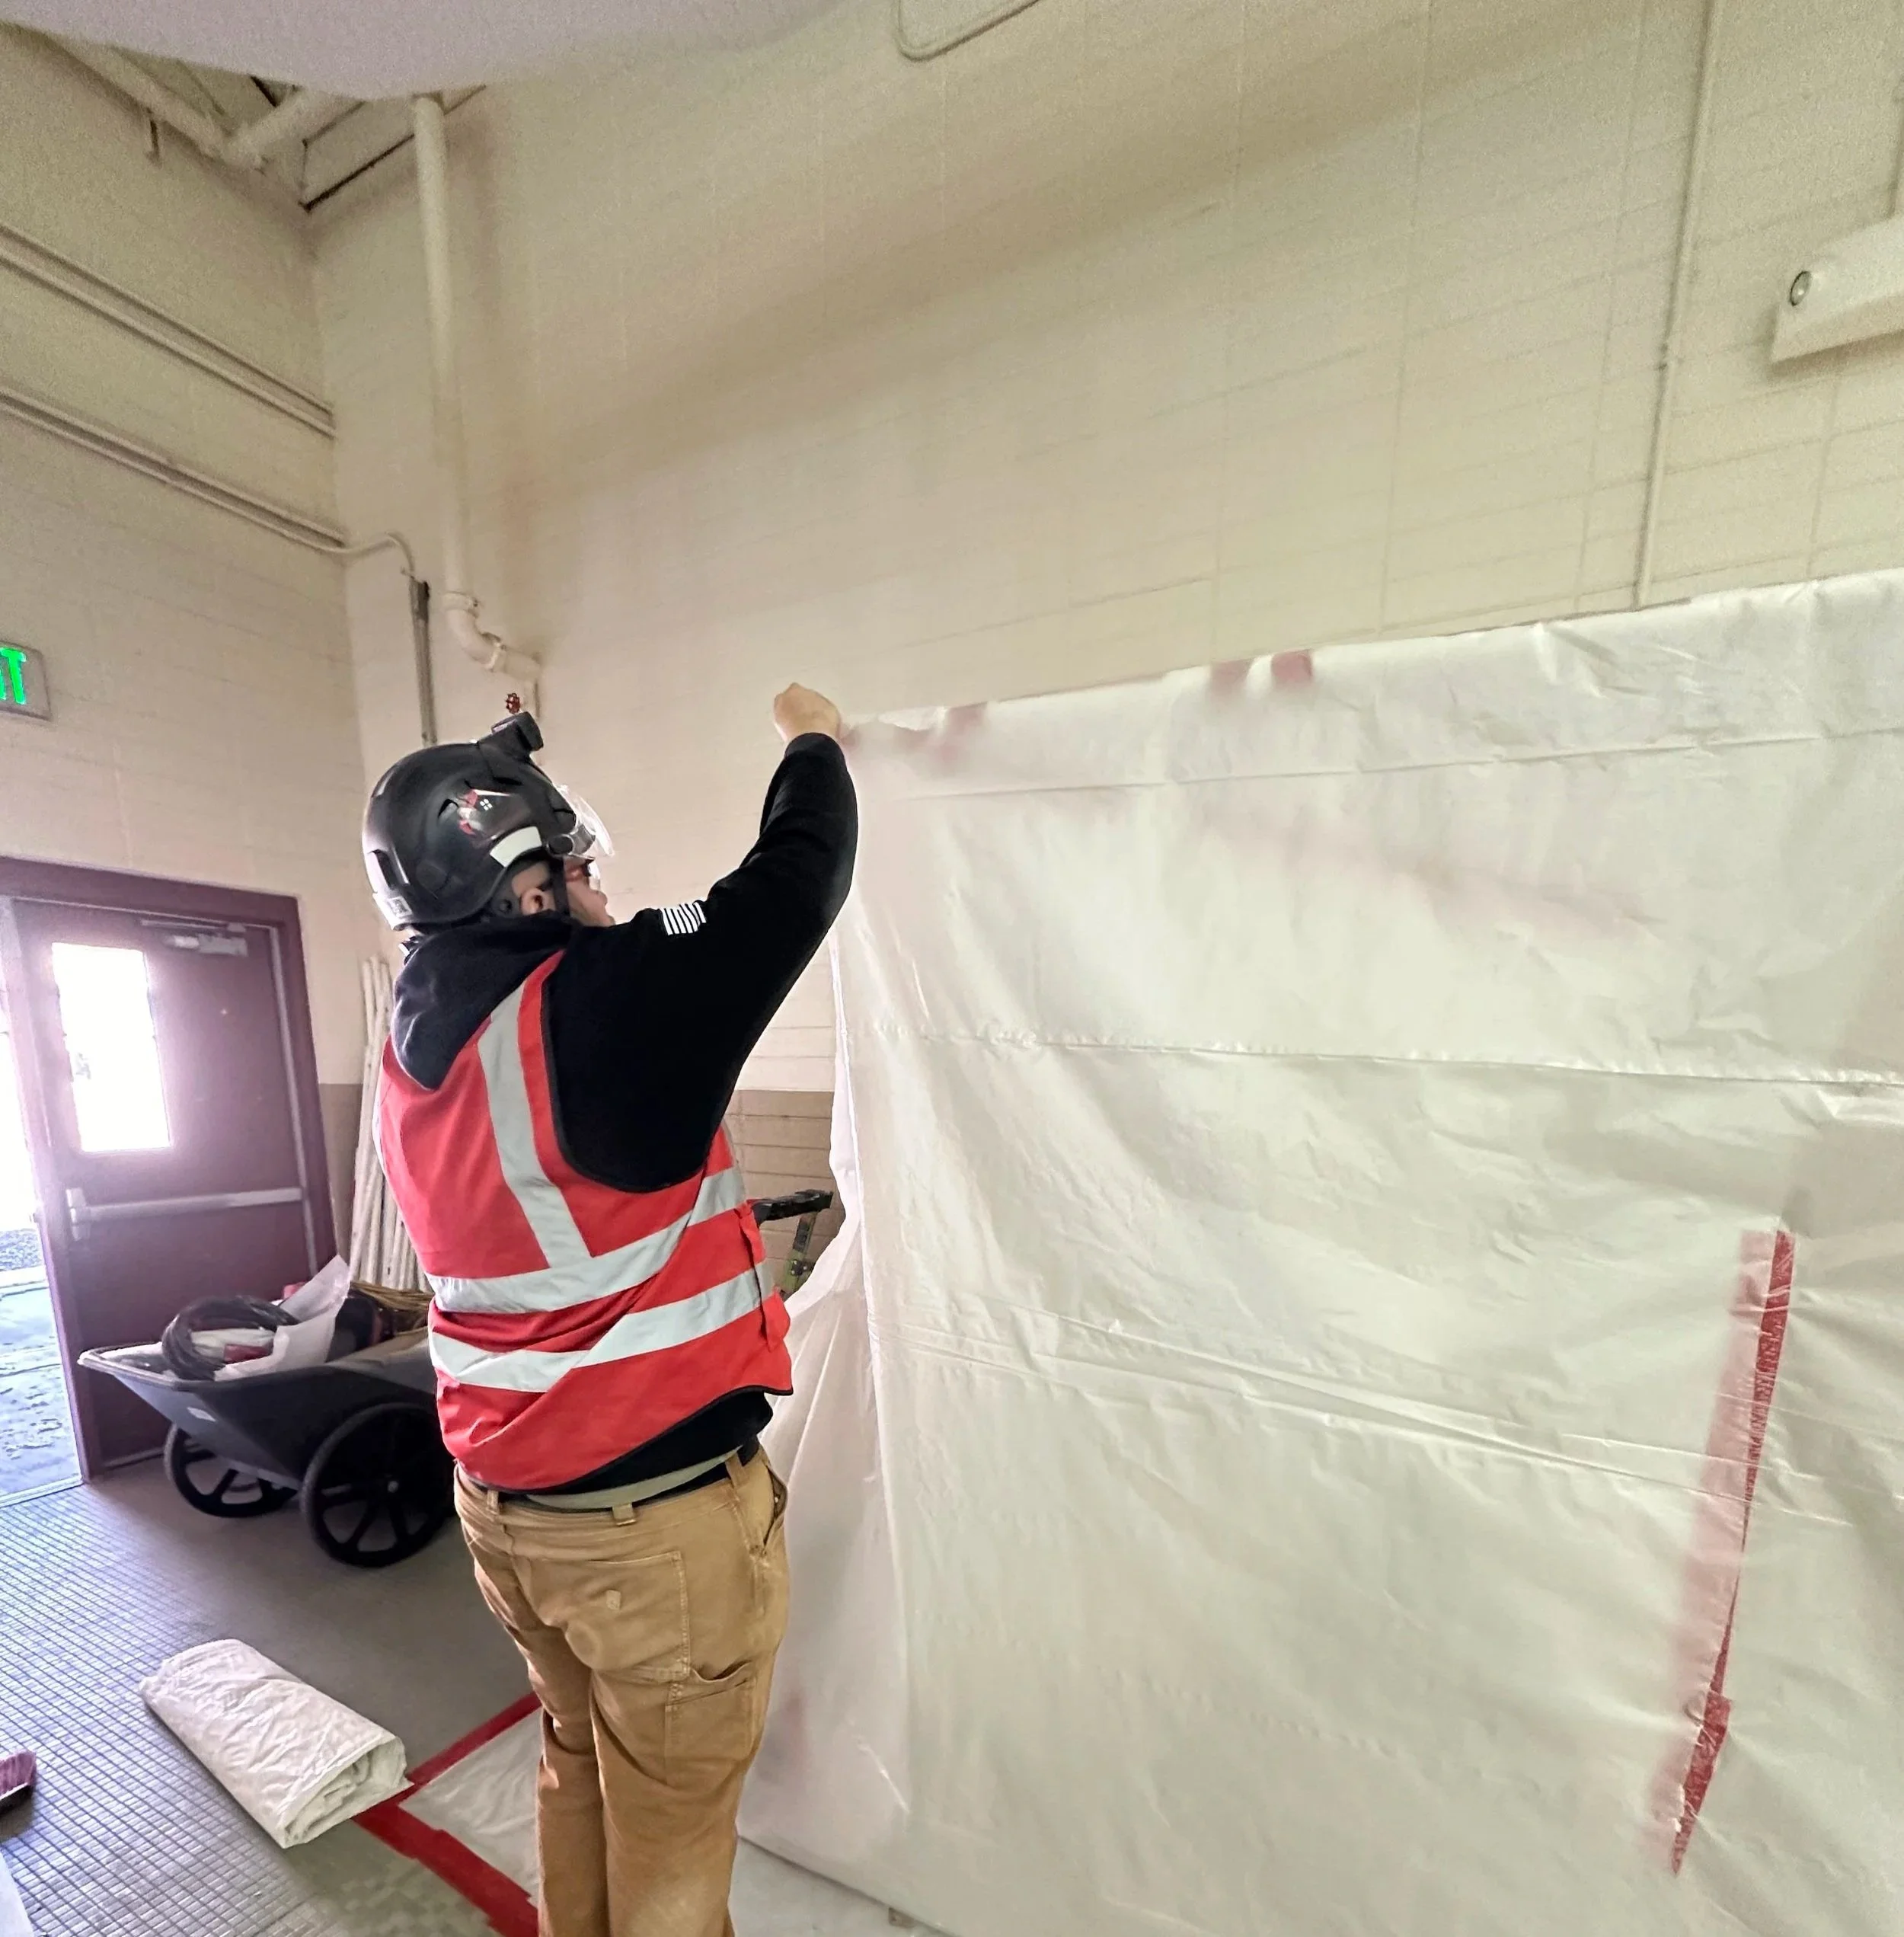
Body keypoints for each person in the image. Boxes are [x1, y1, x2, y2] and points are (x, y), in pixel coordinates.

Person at [361, 685, 856, 1937]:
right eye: (573, 861)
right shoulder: (600, 1000)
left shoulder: (419, 1030)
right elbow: (791, 883)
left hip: (510, 1518)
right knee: (675, 1843)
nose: (597, 883)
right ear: (523, 883)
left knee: (578, 1761)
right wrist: (816, 742)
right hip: (650, 1538)